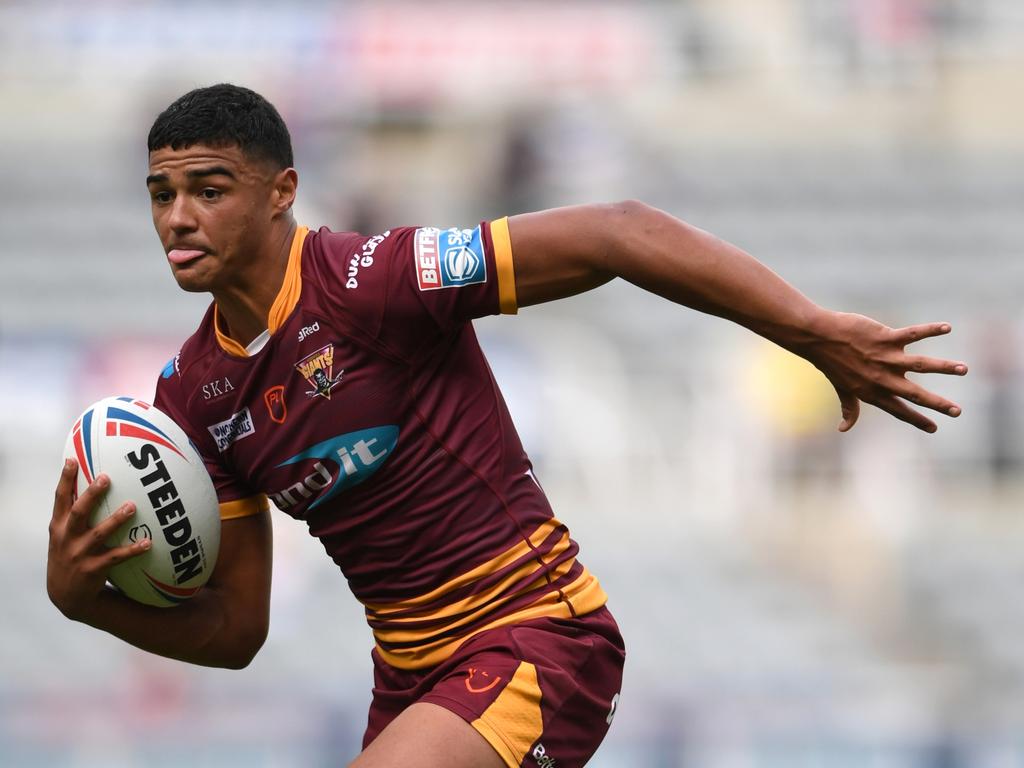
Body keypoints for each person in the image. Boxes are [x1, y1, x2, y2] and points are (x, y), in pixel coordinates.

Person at [46, 84, 967, 768]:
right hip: (410, 685)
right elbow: (237, 631)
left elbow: (618, 228)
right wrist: (89, 601)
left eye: (209, 188)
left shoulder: (377, 281)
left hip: (534, 637)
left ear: (282, 190)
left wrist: (809, 332)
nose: (178, 217)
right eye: (161, 194)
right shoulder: (194, 398)